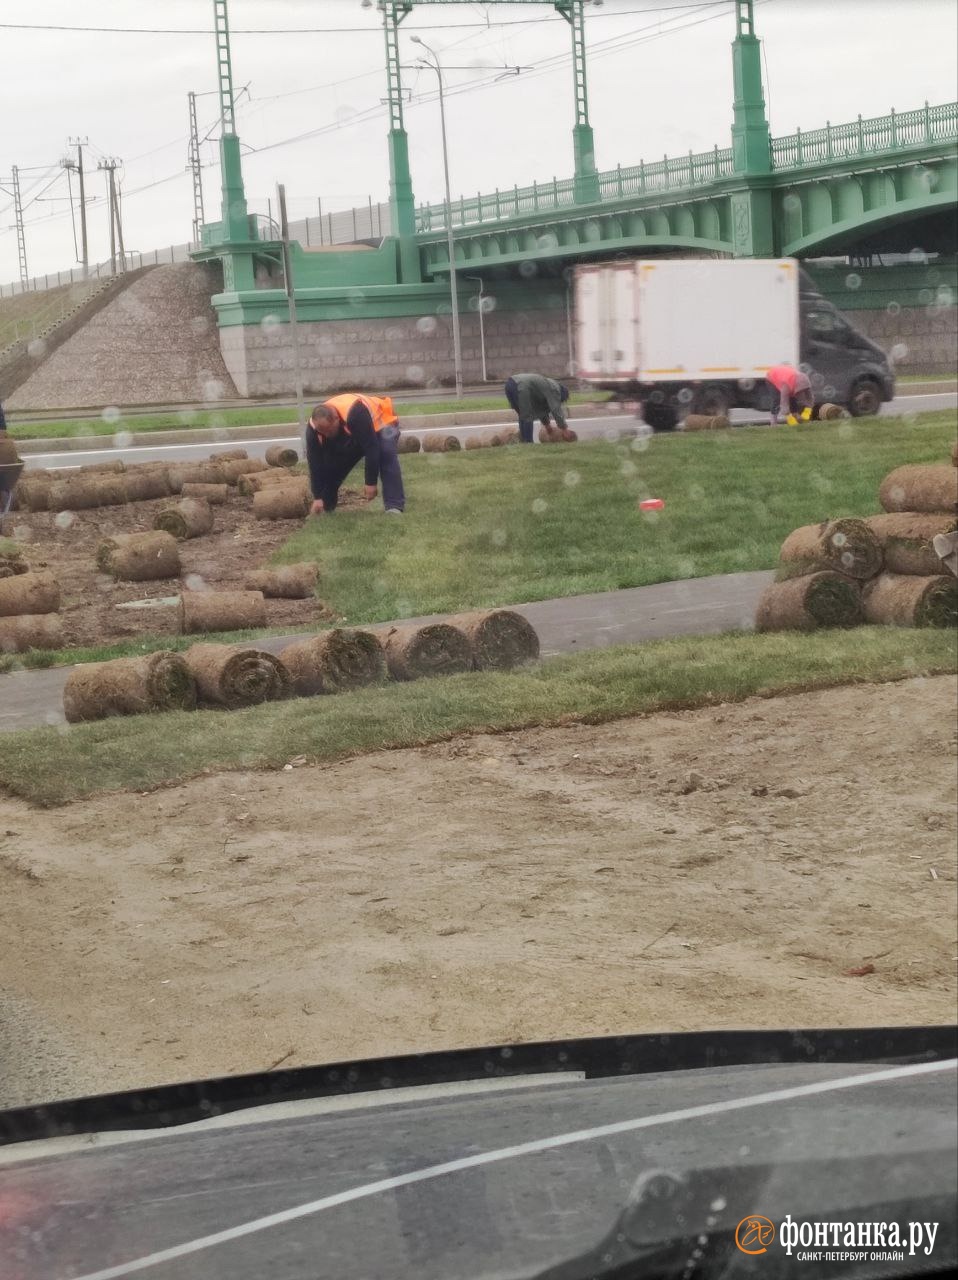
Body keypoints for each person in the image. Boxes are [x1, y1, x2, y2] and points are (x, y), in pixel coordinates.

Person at [305, 392, 405, 516]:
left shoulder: (355, 414)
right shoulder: (313, 430)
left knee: (385, 453)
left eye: (329, 430)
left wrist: (370, 483)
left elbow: (371, 448)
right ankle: (326, 506)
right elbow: (315, 463)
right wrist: (318, 496)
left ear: (336, 418)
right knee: (332, 463)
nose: (326, 435)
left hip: (383, 421)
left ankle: (394, 506)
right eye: (323, 432)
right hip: (355, 429)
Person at [504, 373, 570, 444]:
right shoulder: (555, 389)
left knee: (523, 415)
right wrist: (564, 429)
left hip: (510, 384)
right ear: (561, 396)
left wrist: (547, 425)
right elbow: (555, 409)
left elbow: (540, 409)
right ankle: (529, 443)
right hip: (520, 385)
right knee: (527, 416)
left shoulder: (544, 387)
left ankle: (523, 441)